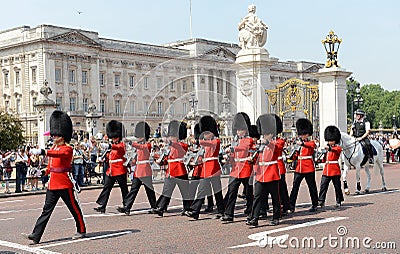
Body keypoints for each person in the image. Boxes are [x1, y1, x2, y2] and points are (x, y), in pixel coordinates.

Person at [22, 110, 86, 244]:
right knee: (46, 210)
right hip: (53, 184)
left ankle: (81, 229)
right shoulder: (55, 147)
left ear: (62, 136)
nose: (54, 137)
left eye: (56, 135)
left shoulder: (67, 148)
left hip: (64, 183)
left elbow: (57, 156)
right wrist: (42, 172)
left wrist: (43, 151)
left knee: (73, 208)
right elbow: (51, 166)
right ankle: (36, 235)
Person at [185, 116, 224, 220]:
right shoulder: (206, 142)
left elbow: (204, 143)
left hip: (214, 168)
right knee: (203, 190)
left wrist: (198, 140)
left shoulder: (216, 141)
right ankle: (195, 211)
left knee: (217, 191)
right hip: (206, 168)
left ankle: (221, 210)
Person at [246, 114, 282, 227]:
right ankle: (254, 218)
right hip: (261, 174)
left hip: (272, 173)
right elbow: (259, 157)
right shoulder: (262, 145)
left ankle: (276, 217)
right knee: (257, 196)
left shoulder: (276, 143)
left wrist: (267, 143)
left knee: (275, 197)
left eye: (266, 134)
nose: (264, 136)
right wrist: (252, 159)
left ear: (271, 134)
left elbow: (276, 149)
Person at [117, 121, 157, 215]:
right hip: (138, 170)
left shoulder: (148, 145)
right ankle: (127, 207)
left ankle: (154, 206)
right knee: (133, 190)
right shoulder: (139, 147)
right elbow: (135, 158)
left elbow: (141, 147)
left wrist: (131, 142)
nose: (138, 138)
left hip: (145, 170)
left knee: (149, 190)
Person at [152, 120, 191, 217]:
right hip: (170, 172)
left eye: (172, 135)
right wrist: (160, 160)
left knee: (185, 192)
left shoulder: (182, 145)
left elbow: (178, 146)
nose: (171, 137)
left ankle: (187, 208)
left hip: (180, 171)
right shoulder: (170, 147)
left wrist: (169, 142)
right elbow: (167, 159)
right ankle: (161, 208)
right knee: (166, 191)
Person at [220, 113, 254, 222]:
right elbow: (235, 153)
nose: (239, 132)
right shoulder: (236, 140)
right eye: (238, 130)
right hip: (235, 170)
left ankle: (251, 210)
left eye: (241, 130)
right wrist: (228, 158)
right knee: (232, 192)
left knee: (249, 193)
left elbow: (244, 148)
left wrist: (233, 150)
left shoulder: (249, 140)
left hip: (246, 169)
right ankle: (229, 214)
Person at [94, 120, 128, 213]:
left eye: (115, 137)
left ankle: (127, 205)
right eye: (112, 137)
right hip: (111, 170)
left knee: (123, 188)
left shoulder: (121, 145)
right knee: (107, 187)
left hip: (120, 169)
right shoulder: (112, 146)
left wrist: (110, 146)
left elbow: (120, 149)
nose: (113, 139)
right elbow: (110, 157)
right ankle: (102, 205)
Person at [288, 118, 319, 213]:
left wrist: (302, 144)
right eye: (301, 134)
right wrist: (292, 156)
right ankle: (291, 205)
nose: (302, 136)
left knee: (312, 186)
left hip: (308, 167)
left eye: (304, 134)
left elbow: (311, 146)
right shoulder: (299, 144)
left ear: (308, 134)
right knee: (295, 187)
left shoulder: (310, 142)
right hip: (299, 168)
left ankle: (315, 204)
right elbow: (296, 156)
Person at [318, 126, 344, 208]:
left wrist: (329, 148)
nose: (330, 142)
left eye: (331, 140)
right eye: (329, 140)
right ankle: (321, 200)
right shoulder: (327, 148)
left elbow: (336, 150)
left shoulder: (337, 148)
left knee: (337, 187)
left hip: (335, 169)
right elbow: (325, 158)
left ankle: (339, 200)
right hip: (327, 169)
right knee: (323, 185)